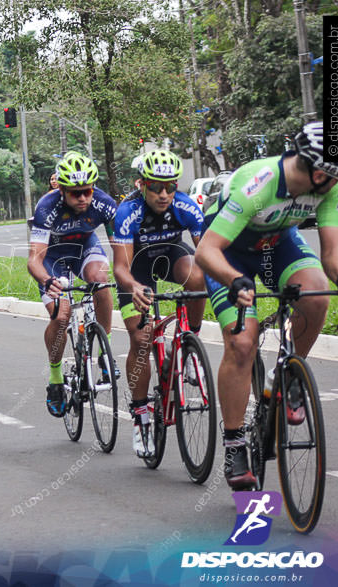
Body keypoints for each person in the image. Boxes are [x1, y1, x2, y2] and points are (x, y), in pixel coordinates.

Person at [195, 121, 338, 489]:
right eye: (331, 174)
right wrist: (235, 280)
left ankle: (288, 378)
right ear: (313, 168)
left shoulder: (328, 186)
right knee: (242, 343)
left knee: (318, 293)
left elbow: (331, 251)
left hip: (277, 245)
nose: (335, 180)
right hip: (228, 253)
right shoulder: (258, 186)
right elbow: (205, 251)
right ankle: (234, 444)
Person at [112, 149, 206, 458]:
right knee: (141, 338)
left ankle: (190, 341)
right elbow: (120, 268)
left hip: (169, 255)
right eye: (156, 187)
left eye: (171, 187)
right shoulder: (128, 211)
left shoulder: (186, 206)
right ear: (142, 184)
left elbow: (207, 255)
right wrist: (135, 287)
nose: (164, 194)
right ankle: (141, 416)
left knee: (197, 278)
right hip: (136, 267)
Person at [27, 153, 118, 417]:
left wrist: (127, 276)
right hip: (53, 258)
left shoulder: (104, 203)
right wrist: (47, 280)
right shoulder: (46, 207)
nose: (82, 198)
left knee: (101, 281)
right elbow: (34, 260)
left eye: (87, 191)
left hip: (84, 248)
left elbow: (120, 248)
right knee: (62, 314)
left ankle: (105, 353)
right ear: (62, 189)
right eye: (76, 193)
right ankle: (55, 379)